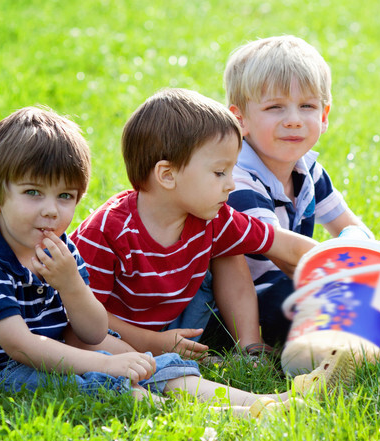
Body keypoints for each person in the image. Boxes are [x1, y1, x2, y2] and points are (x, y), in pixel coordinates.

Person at [0, 106, 331, 415]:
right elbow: (20, 348)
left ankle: (260, 403)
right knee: (112, 383)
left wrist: (72, 285)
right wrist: (105, 364)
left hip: (59, 349)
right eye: (32, 193)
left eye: (65, 197)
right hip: (0, 370)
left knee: (152, 365)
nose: (51, 212)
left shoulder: (59, 248)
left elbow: (91, 331)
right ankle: (226, 417)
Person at [71, 88, 319, 363]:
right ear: (167, 175)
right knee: (99, 347)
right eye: (219, 172)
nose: (231, 184)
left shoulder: (212, 216)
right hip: (109, 333)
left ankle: (250, 345)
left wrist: (349, 265)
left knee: (229, 245)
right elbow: (79, 316)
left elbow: (285, 245)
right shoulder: (106, 232)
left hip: (177, 318)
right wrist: (153, 343)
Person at [223, 36, 376, 352]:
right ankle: (355, 328)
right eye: (275, 107)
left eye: (307, 106)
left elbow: (351, 225)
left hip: (310, 274)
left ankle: (378, 317)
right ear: (240, 119)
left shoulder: (308, 169)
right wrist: (348, 268)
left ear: (324, 114)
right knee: (292, 297)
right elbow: (287, 254)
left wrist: (360, 245)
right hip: (259, 295)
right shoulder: (237, 180)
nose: (293, 119)